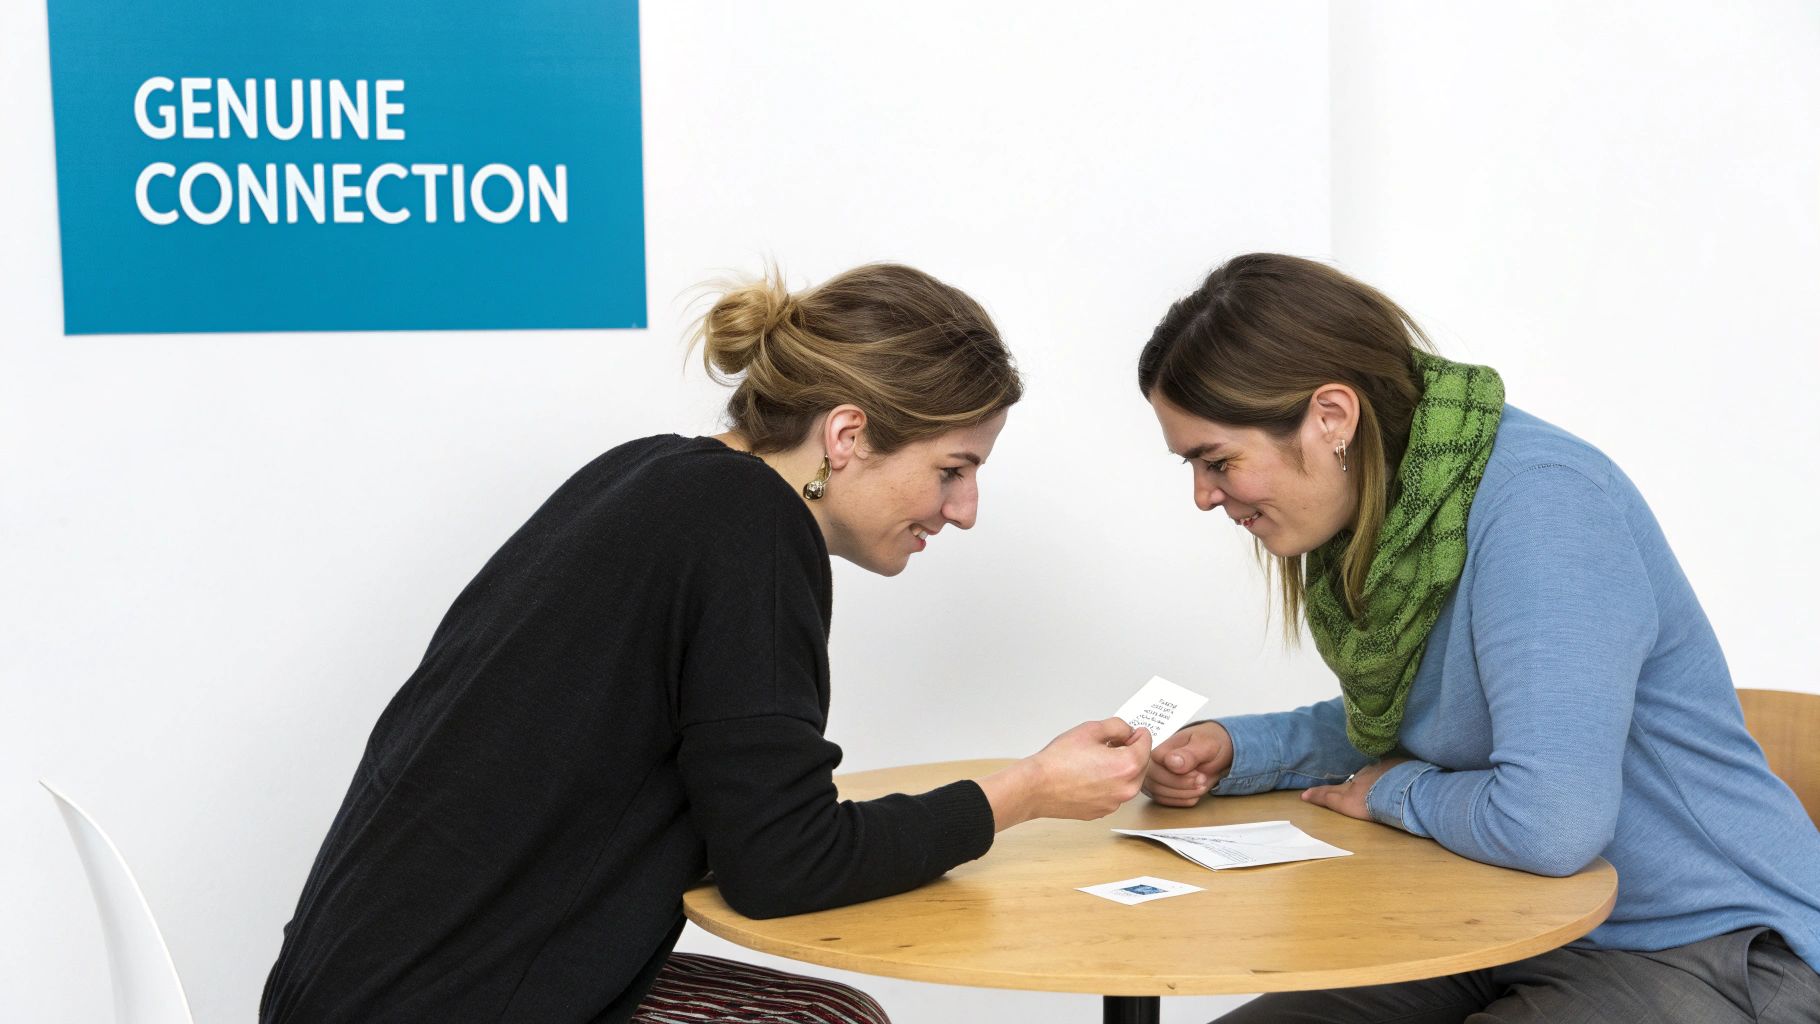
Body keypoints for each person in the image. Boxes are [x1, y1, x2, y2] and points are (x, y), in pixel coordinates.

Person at [260, 263, 1152, 1024]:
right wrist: (1025, 792)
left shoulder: (653, 473)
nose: (963, 510)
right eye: (951, 470)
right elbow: (785, 865)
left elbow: (750, 827)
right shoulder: (752, 529)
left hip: (350, 983)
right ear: (847, 435)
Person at [1136, 253, 1820, 1023]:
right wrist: (1238, 749)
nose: (1203, 496)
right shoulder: (1398, 510)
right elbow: (1435, 721)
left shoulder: (1542, 506)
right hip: (1509, 920)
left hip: (1709, 945)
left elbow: (1550, 823)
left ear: (1331, 416)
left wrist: (1393, 792)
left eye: (1218, 460)